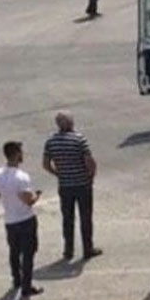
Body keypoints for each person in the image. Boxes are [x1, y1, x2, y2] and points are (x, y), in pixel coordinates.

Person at [43, 111, 101, 261]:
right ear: (70, 123)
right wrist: (90, 177)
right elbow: (90, 162)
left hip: (65, 185)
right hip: (82, 184)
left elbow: (45, 164)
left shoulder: (51, 142)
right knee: (85, 217)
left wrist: (58, 173)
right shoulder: (79, 139)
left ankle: (68, 250)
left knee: (67, 218)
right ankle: (87, 248)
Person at [0, 141, 43, 297]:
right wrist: (37, 195)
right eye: (21, 152)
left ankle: (16, 279)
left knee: (14, 251)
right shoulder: (21, 177)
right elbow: (29, 200)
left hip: (9, 219)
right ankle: (27, 286)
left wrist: (7, 193)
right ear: (16, 154)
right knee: (28, 253)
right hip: (25, 218)